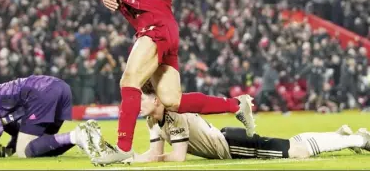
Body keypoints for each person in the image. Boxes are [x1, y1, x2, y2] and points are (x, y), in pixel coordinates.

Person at [97, 0, 255, 165]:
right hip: (151, 29)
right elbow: (136, 6)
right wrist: (115, 0)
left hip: (158, 28)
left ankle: (123, 147)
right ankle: (237, 105)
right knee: (172, 100)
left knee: (129, 81)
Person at [86, 82, 369, 165]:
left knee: (298, 151)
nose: (138, 104)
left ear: (157, 99)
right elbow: (154, 153)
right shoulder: (153, 121)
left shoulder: (174, 117)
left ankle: (357, 139)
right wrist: (129, 160)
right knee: (293, 144)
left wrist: (150, 159)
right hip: (226, 140)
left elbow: (177, 158)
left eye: (143, 99)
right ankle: (340, 135)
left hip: (232, 146)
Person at [0, 75, 99, 159]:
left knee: (24, 151)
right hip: (58, 88)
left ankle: (77, 135)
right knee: (40, 148)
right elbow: (16, 130)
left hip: (41, 91)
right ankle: (85, 133)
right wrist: (9, 149)